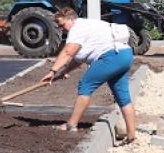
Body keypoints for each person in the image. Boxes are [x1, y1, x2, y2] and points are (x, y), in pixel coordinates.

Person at [41, 7, 137, 144]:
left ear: (71, 19)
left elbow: (68, 52)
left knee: (85, 85)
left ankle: (71, 125)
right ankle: (132, 136)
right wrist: (65, 71)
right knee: (123, 97)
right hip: (124, 55)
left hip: (111, 57)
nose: (62, 29)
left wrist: (52, 71)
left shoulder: (77, 29)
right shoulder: (87, 26)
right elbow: (78, 58)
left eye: (62, 25)